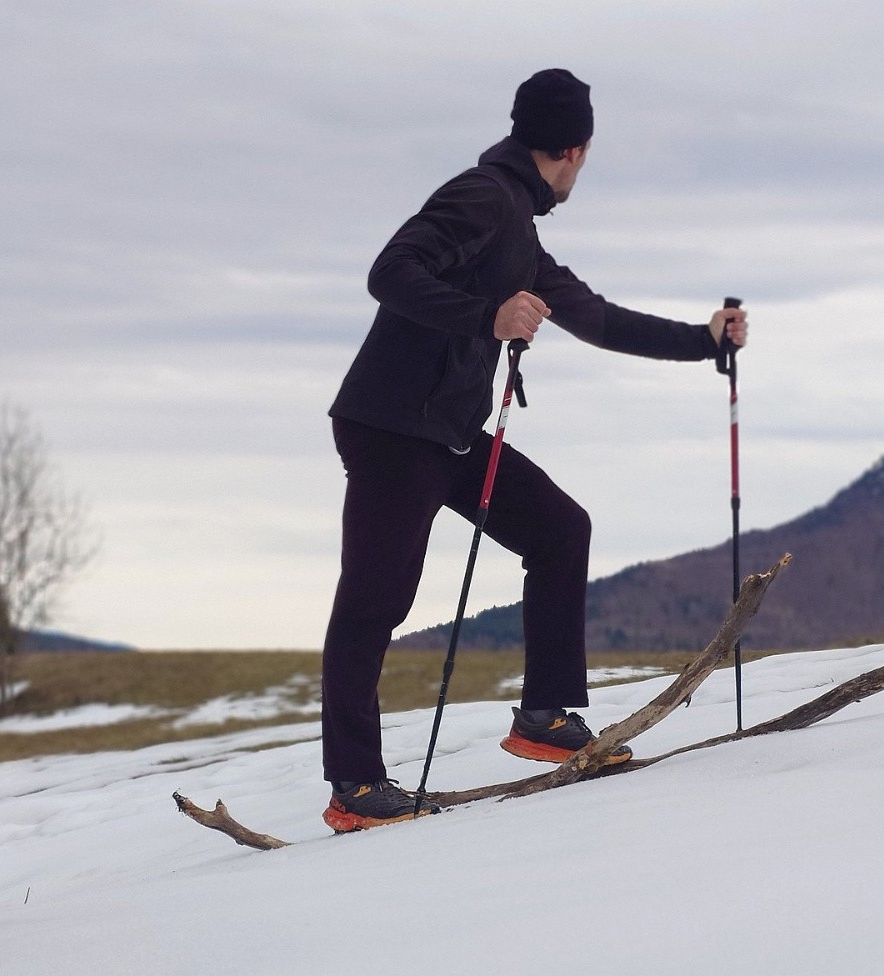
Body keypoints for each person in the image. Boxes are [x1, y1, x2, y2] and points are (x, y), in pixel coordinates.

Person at [320, 68, 749, 832]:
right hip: (392, 427)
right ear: (575, 149)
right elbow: (389, 272)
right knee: (376, 599)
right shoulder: (484, 197)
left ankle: (543, 718)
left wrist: (703, 341)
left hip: (443, 431)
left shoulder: (518, 230)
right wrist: (487, 316)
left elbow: (600, 320)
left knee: (559, 528)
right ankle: (354, 787)